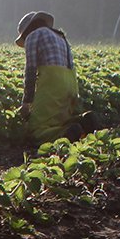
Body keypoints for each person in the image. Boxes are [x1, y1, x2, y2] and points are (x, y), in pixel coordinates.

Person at [16, 10, 81, 143]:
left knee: (36, 129)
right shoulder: (61, 37)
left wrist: (26, 102)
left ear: (27, 31)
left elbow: (30, 70)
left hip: (53, 83)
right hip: (71, 83)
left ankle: (67, 134)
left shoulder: (33, 36)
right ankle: (83, 121)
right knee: (59, 119)